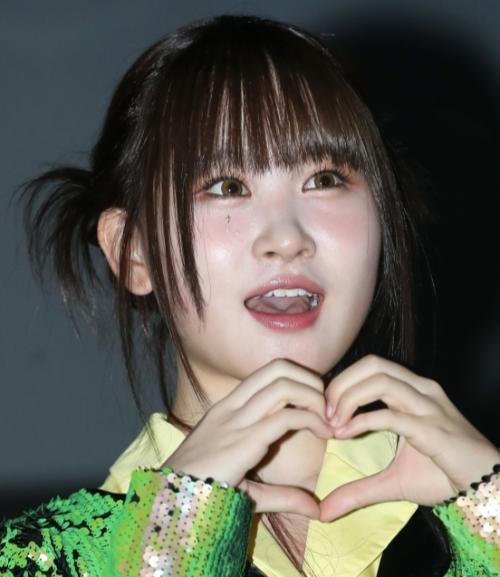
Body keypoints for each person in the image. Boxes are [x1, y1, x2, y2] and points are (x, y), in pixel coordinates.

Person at [1, 14, 499, 577]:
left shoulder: (461, 499)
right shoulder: (48, 557)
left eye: (324, 179)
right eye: (228, 187)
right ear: (134, 252)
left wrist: (492, 514)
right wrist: (177, 535)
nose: (287, 238)